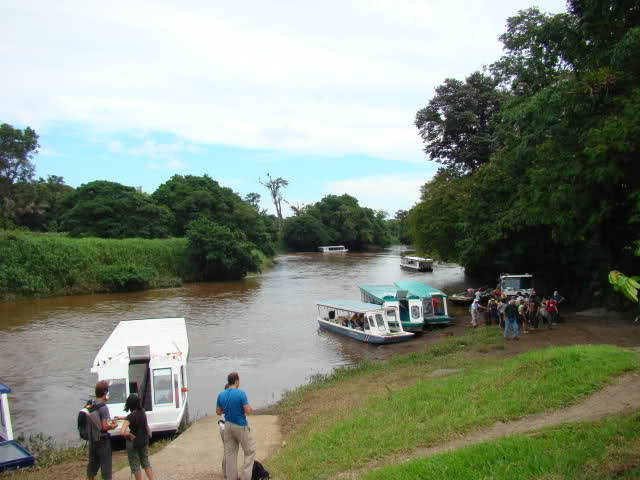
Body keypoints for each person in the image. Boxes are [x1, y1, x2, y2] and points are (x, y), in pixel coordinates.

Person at [216, 372, 256, 480]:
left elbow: (218, 412)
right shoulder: (240, 393)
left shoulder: (221, 394)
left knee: (230, 455)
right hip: (240, 425)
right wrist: (250, 409)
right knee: (250, 451)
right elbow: (247, 411)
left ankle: (231, 478)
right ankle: (245, 477)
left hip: (227, 425)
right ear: (237, 380)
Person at [87, 380, 117, 480]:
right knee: (106, 469)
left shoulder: (91, 403)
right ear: (105, 393)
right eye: (108, 391)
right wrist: (113, 425)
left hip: (93, 439)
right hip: (103, 441)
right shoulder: (104, 408)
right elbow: (104, 426)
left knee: (91, 469)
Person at [119, 394, 153, 480]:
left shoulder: (130, 417)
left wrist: (128, 434)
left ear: (129, 404)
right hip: (144, 440)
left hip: (134, 443)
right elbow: (133, 417)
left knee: (135, 465)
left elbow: (122, 432)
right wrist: (122, 418)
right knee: (146, 462)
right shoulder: (142, 411)